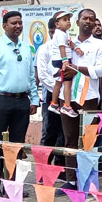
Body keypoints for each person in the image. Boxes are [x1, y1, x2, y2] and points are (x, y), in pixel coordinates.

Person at [0, 11, 39, 196]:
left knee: (17, 146)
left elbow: (31, 77)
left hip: (22, 101)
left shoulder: (27, 48)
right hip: (0, 100)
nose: (18, 26)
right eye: (13, 23)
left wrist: (34, 99)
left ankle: (13, 186)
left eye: (20, 23)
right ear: (4, 25)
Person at [58, 9, 102, 192]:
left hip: (89, 98)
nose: (88, 21)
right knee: (70, 138)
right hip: (68, 98)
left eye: (91, 19)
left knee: (88, 140)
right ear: (77, 22)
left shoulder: (99, 45)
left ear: (95, 23)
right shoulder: (66, 41)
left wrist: (78, 69)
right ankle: (71, 180)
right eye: (84, 18)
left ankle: (87, 179)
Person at [48, 11, 82, 117]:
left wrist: (76, 48)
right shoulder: (60, 34)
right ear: (57, 24)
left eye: (69, 19)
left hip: (60, 60)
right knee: (67, 82)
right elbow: (62, 48)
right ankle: (67, 106)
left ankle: (54, 103)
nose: (68, 22)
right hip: (61, 60)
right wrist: (65, 61)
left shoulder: (64, 33)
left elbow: (69, 43)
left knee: (58, 82)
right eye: (65, 20)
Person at [36, 18, 63, 151]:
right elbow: (43, 75)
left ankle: (61, 166)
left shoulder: (69, 47)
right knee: (49, 132)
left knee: (64, 134)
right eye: (53, 32)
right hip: (51, 95)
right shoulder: (44, 48)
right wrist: (59, 89)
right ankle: (44, 167)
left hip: (68, 97)